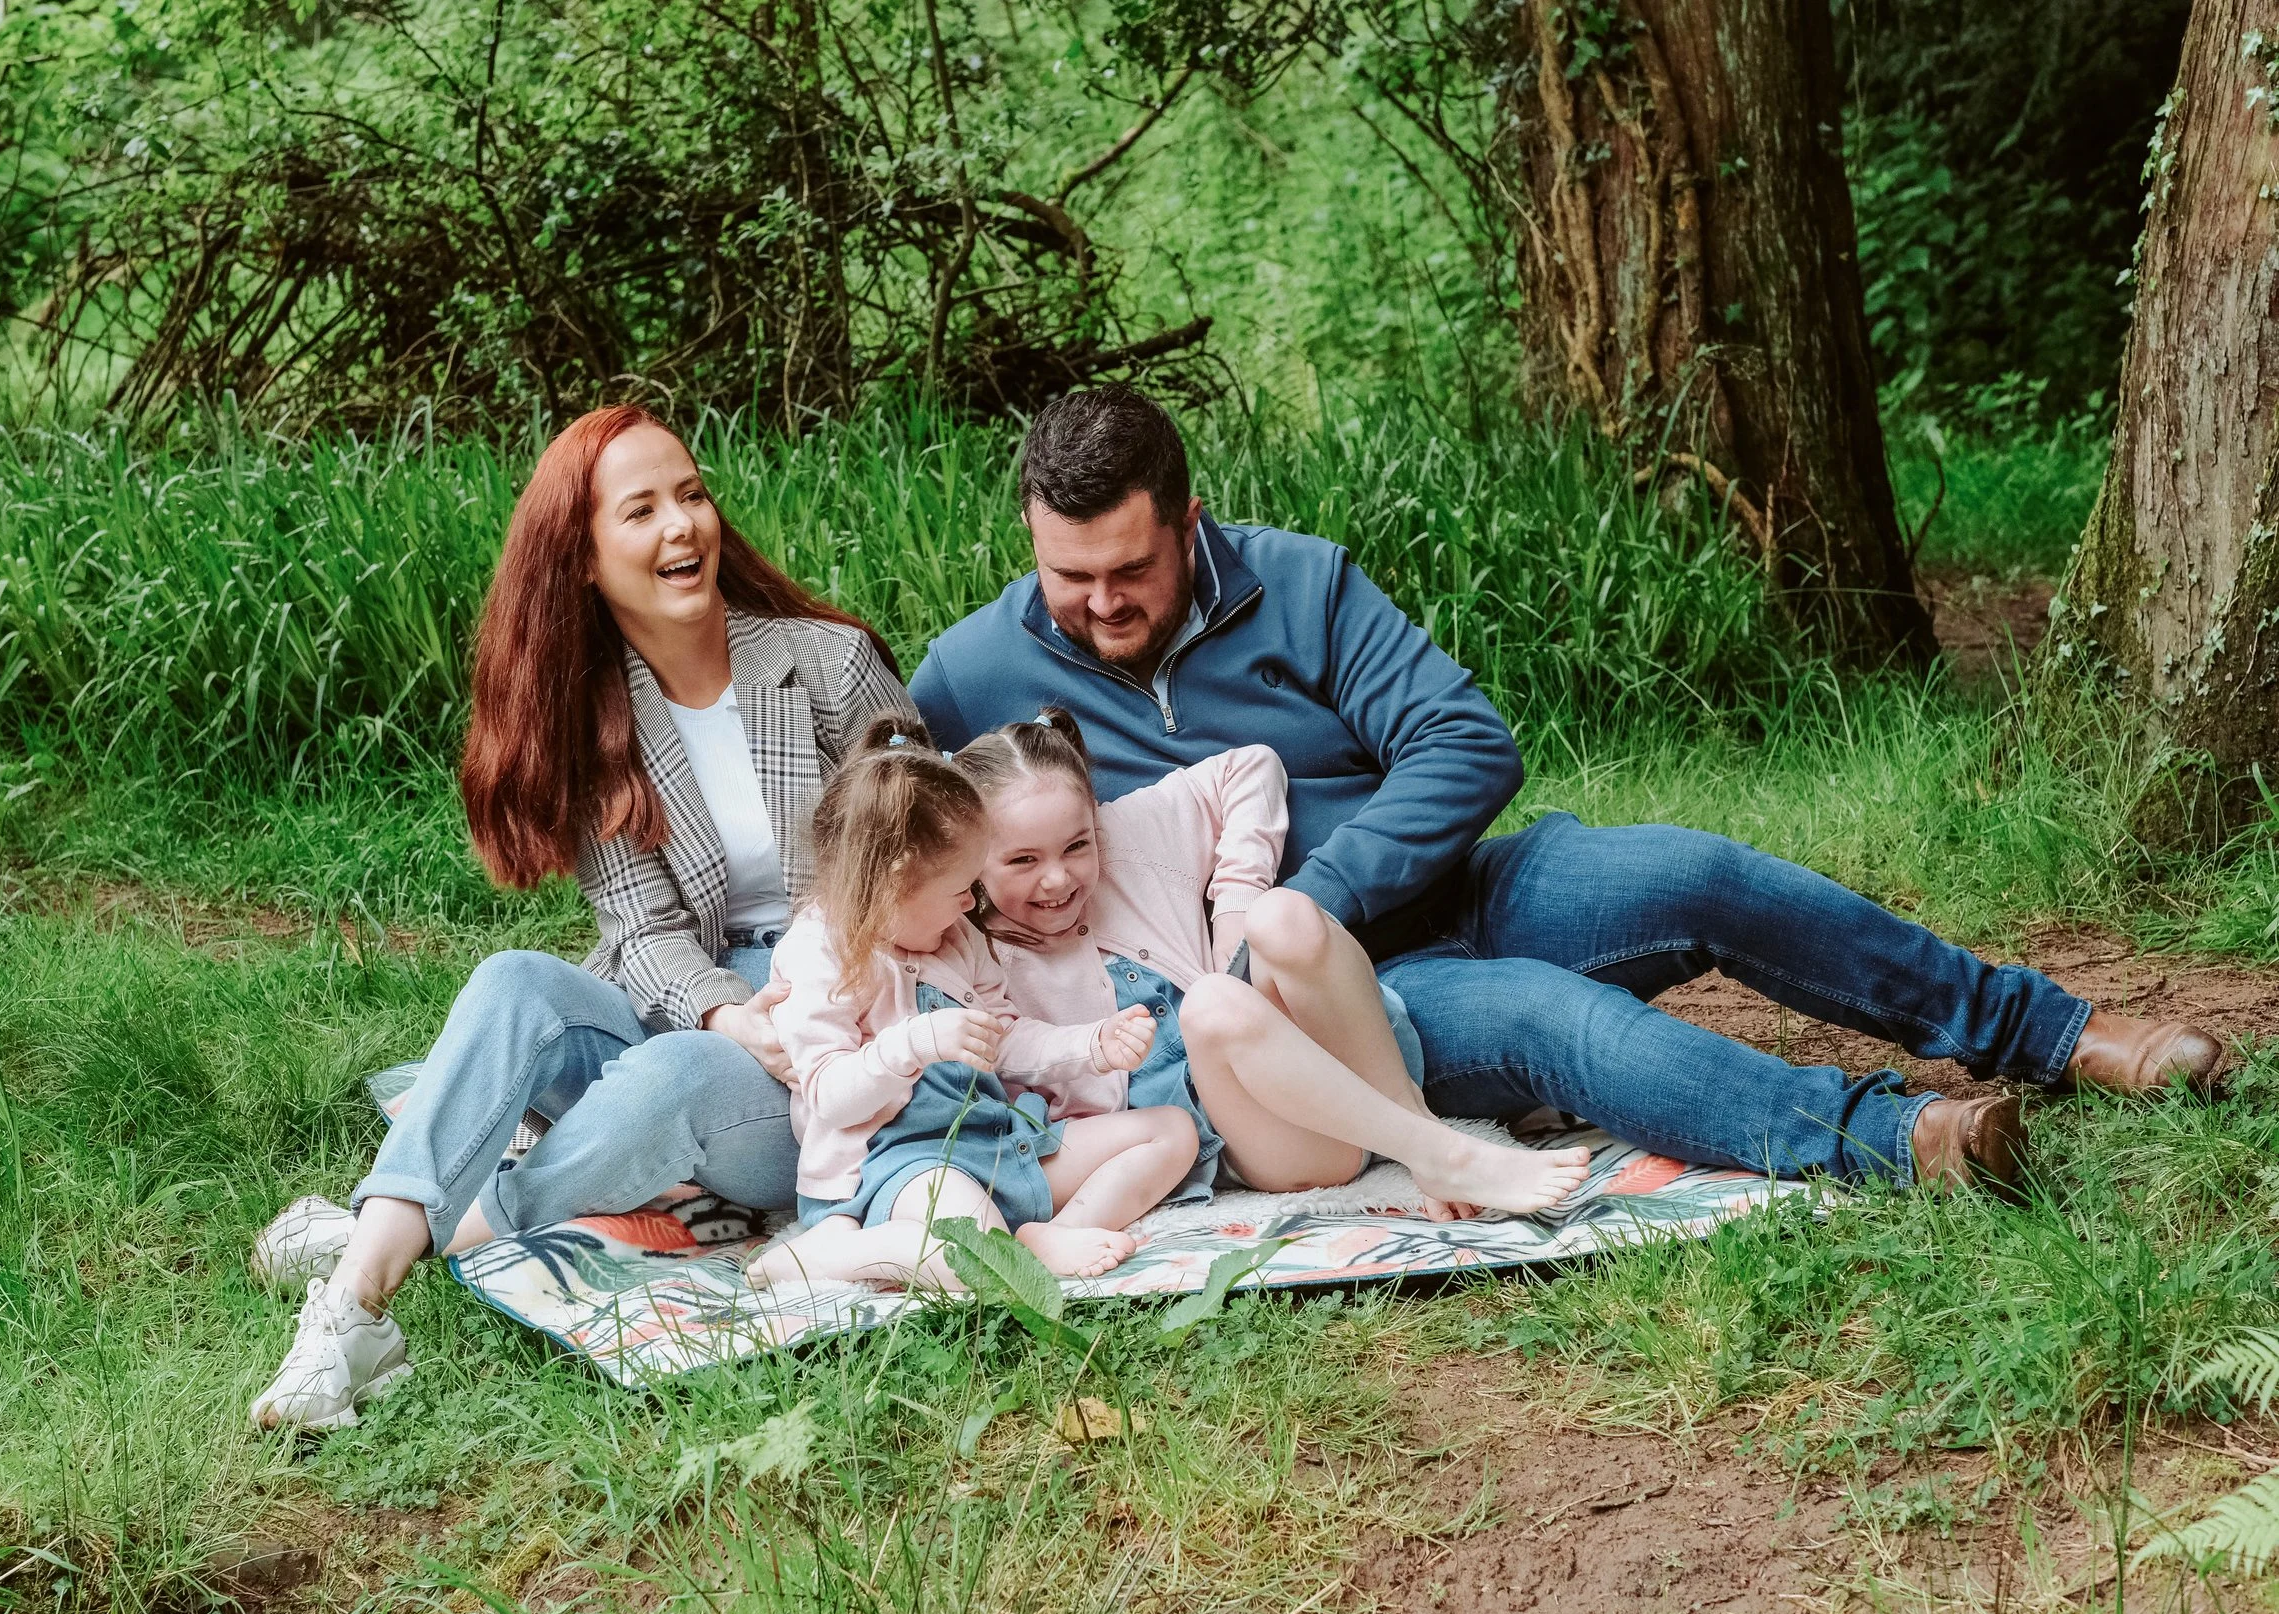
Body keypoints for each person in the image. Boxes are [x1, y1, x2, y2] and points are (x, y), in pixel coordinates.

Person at [909, 386, 2231, 1198]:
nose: (1097, 605)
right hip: (1346, 1009)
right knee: (1556, 1017)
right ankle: (1898, 1140)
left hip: (1459, 888)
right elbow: (893, 854)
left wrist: (1307, 893)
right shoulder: (973, 673)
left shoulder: (1296, 581)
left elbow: (1465, 743)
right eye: (1066, 577)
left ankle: (2051, 1032)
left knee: (1693, 867)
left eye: (1127, 568)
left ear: (1189, 523)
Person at [248, 405, 912, 1430]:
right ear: (585, 559)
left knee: (669, 1074)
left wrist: (812, 996)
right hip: (702, 1005)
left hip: (841, 1030)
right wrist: (733, 1014)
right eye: (640, 510)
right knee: (515, 980)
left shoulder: (825, 663)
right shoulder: (600, 717)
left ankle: (400, 1234)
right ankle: (357, 1313)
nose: (682, 527)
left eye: (691, 495)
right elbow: (643, 934)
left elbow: (921, 851)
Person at [959, 707, 1593, 1219]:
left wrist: (1233, 911)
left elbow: (1251, 765)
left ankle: (1422, 1134)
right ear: (970, 861)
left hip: (1335, 1057)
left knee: (1281, 916)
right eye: (1022, 861)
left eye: (1078, 845)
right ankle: (1439, 1151)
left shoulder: (1128, 835)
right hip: (1257, 1135)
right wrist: (1095, 1044)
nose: (1059, 878)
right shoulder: (967, 948)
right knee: (1210, 1003)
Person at [748, 717, 1181, 1289]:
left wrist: (1091, 1045)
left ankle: (1052, 1233)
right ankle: (821, 1257)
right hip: (900, 1166)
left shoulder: (954, 938)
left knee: (1170, 1131)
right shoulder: (821, 953)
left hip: (993, 1138)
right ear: (895, 885)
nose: (971, 906)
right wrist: (916, 1041)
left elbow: (1002, 1038)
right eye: (960, 891)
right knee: (977, 1260)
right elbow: (830, 1097)